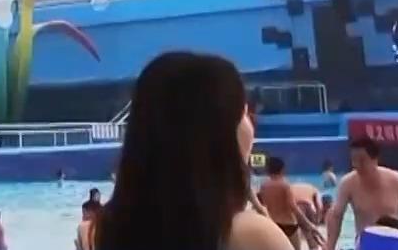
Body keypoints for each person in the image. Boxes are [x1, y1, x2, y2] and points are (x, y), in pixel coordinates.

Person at [93, 51, 293, 250]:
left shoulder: (109, 229)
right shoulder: (251, 235)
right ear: (220, 131)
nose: (251, 126)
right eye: (245, 113)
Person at [325, 137, 398, 250]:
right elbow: (336, 216)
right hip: (366, 242)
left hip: (394, 240)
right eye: (353, 160)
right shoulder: (348, 183)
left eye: (361, 160)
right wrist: (330, 246)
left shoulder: (396, 180)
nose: (356, 164)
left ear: (375, 159)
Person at [258, 156, 306, 247]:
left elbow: (261, 206)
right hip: (289, 225)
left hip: (273, 225)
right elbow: (293, 206)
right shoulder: (285, 185)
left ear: (268, 170)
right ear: (283, 170)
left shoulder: (263, 187)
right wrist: (307, 223)